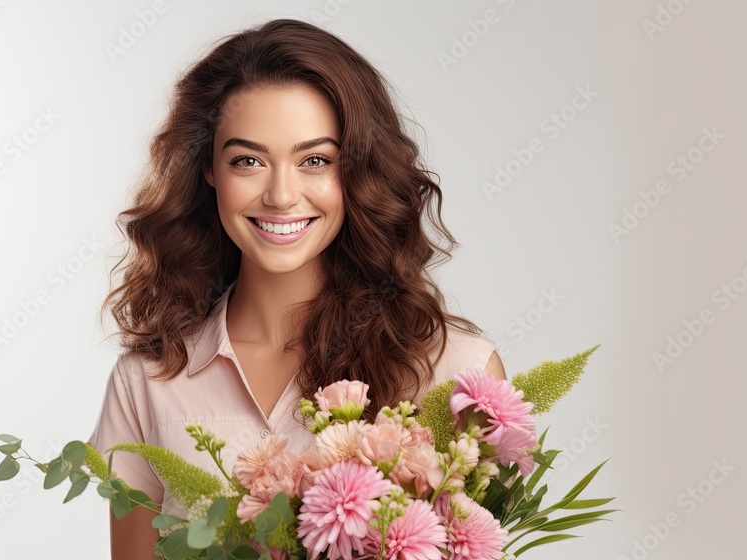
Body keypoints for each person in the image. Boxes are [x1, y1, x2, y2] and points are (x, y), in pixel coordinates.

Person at [86, 18, 507, 559]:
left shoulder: (458, 376)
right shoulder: (147, 380)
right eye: (248, 161)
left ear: (357, 170)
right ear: (209, 168)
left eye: (315, 160)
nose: (282, 195)